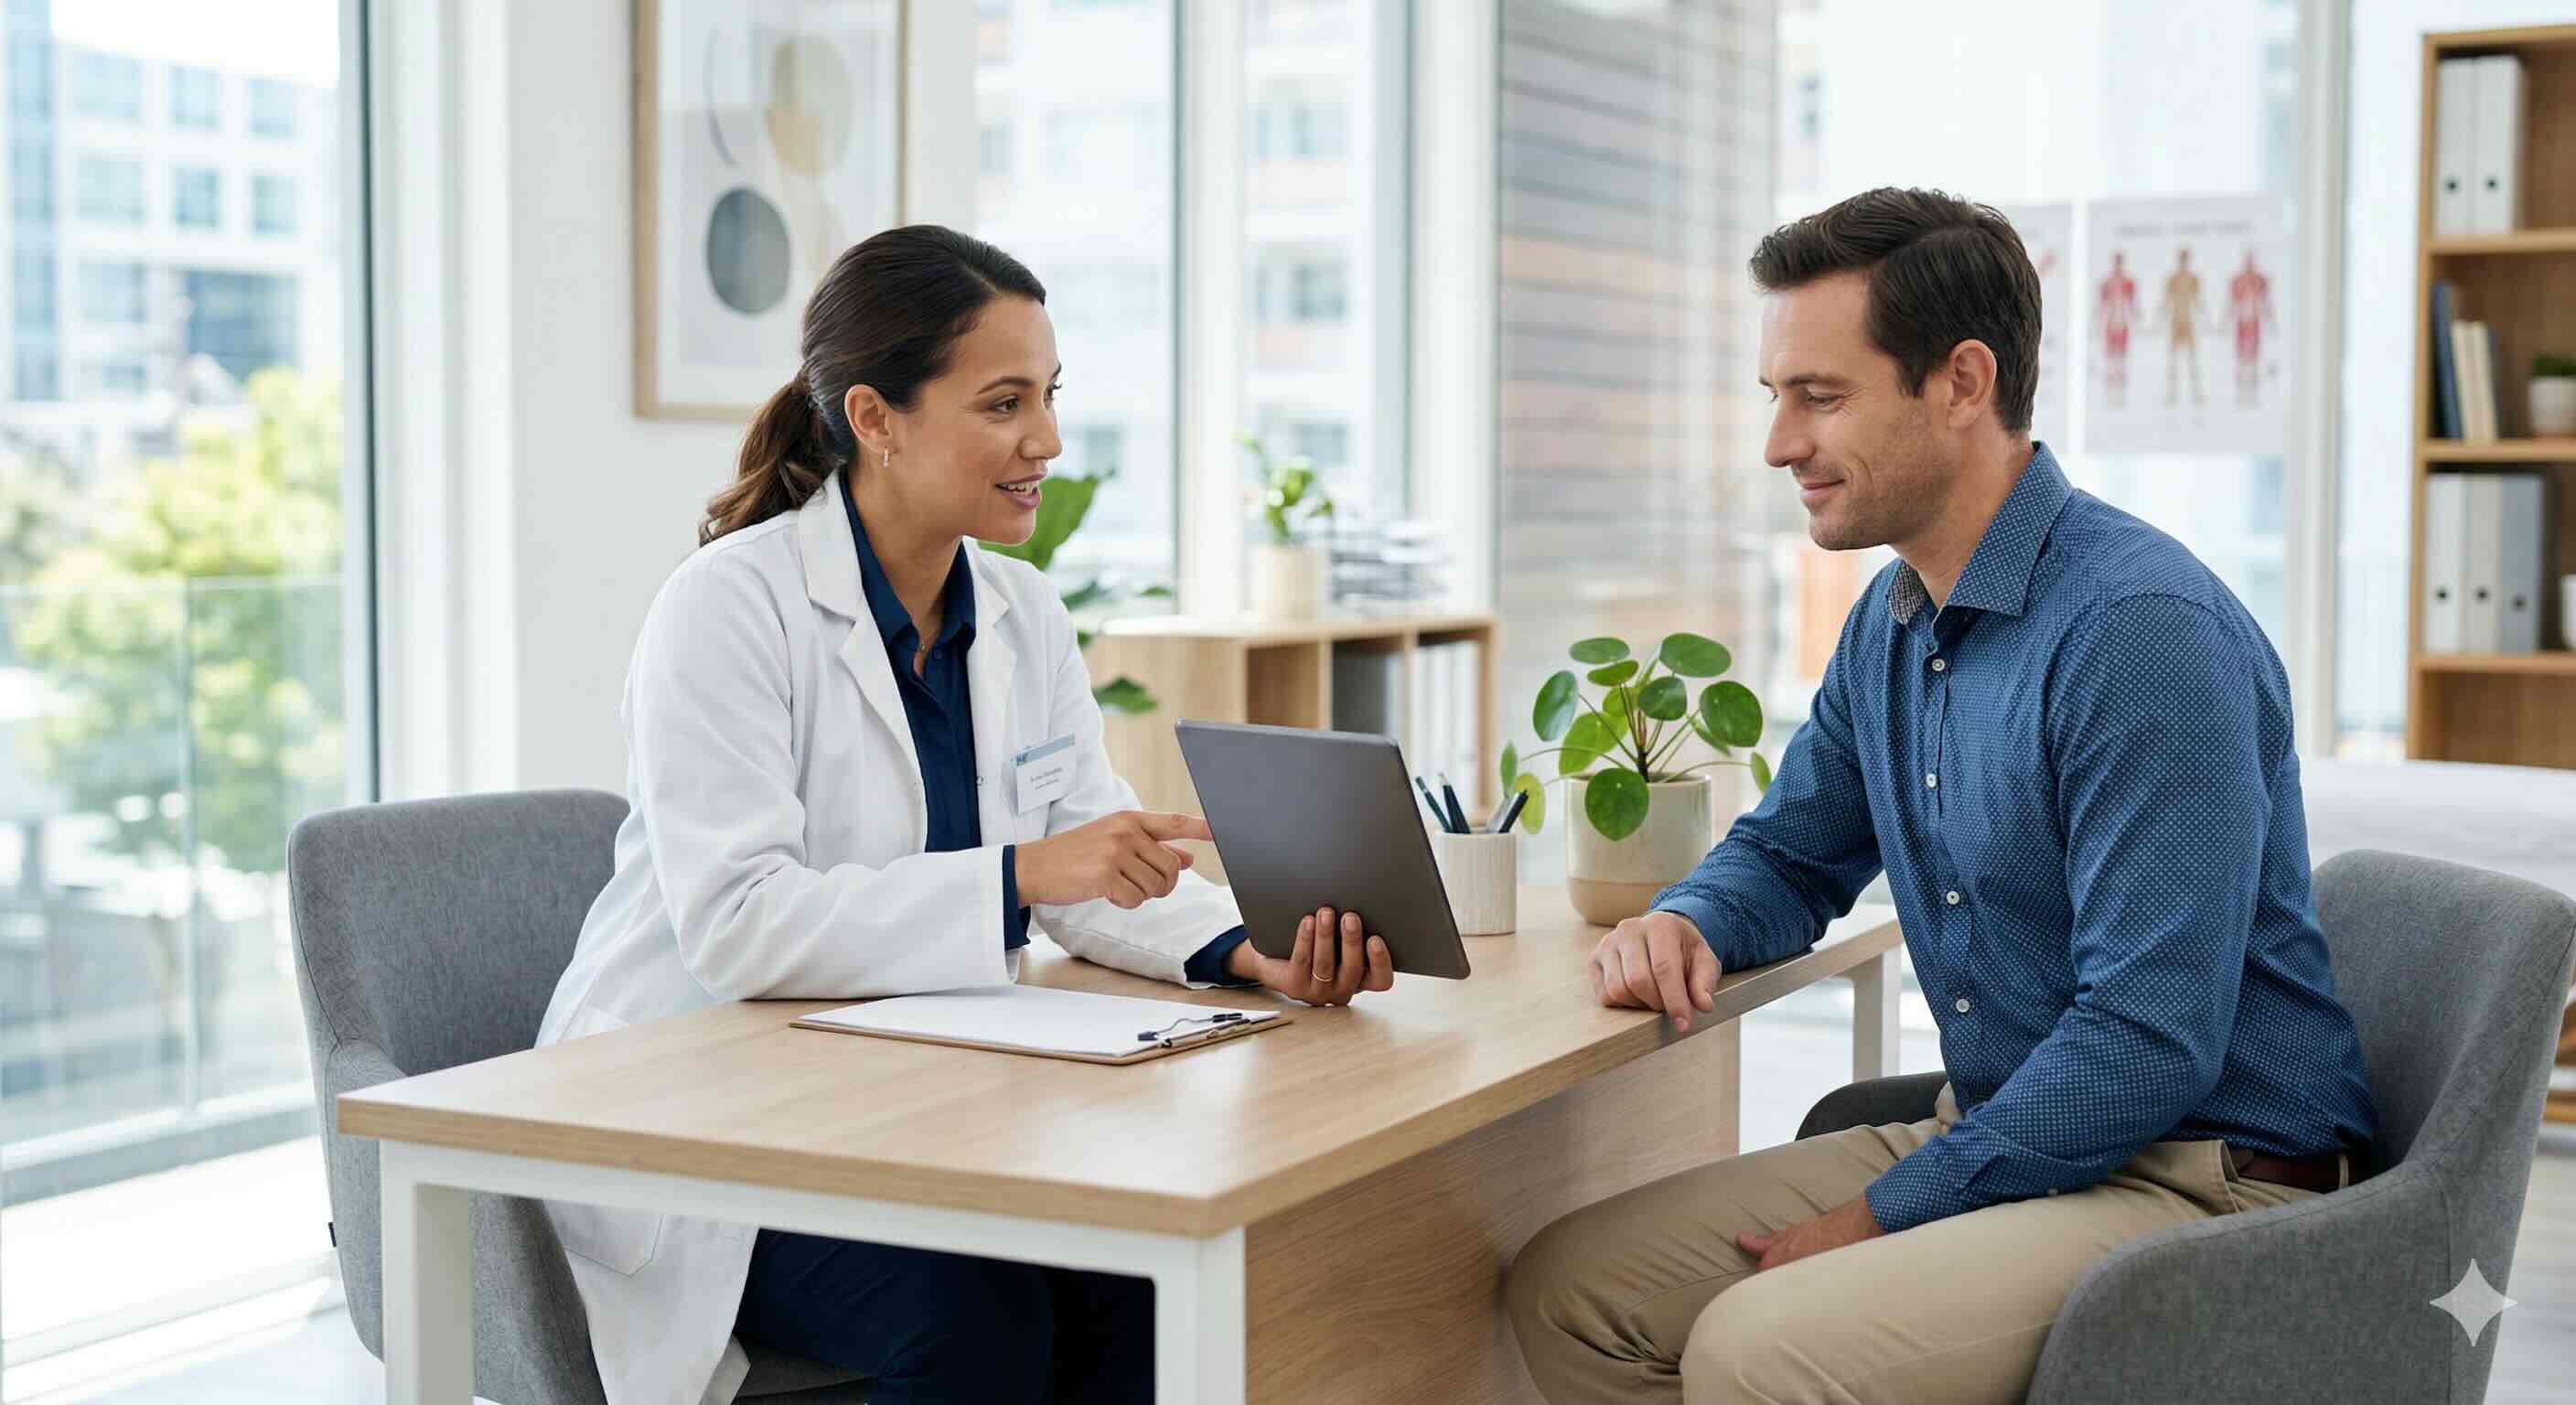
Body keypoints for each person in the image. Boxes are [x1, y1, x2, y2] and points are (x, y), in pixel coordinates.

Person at [1504, 188, 2378, 1405]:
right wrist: (1694, 916)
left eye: (1820, 397)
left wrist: (1885, 1212)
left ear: (1962, 383)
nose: (1778, 446)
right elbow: (1794, 851)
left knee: (1761, 1349)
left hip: (2195, 1173)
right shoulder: (1894, 620)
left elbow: (2148, 1039)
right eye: (1776, 399)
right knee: (1572, 1290)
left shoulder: (2137, 634)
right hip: (2023, 1134)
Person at [535, 225, 1396, 1405]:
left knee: (1139, 1291)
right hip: (705, 1113)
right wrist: (1026, 874)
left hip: (911, 1094)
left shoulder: (1020, 609)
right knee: (975, 1326)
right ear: (876, 418)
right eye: (1003, 403)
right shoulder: (727, 609)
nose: (1044, 440)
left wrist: (1244, 951)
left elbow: (1092, 869)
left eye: (1048, 397)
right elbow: (737, 928)